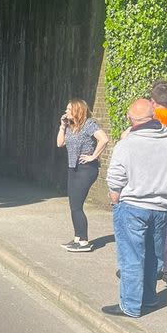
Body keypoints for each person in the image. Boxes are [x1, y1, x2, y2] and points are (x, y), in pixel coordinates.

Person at [103, 99, 167, 318]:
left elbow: (115, 176)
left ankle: (130, 305)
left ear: (130, 118)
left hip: (133, 206)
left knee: (132, 257)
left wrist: (115, 196)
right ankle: (149, 298)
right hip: (162, 207)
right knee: (153, 258)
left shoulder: (127, 143)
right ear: (154, 116)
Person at [56, 98, 109, 252]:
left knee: (77, 206)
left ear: (77, 110)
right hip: (73, 168)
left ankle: (84, 242)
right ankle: (77, 238)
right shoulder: (71, 126)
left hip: (86, 169)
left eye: (68, 109)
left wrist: (93, 156)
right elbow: (60, 143)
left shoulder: (89, 124)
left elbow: (104, 139)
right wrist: (62, 126)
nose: (65, 112)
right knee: (73, 206)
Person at [149, 80, 167, 287]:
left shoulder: (148, 119)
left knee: (149, 223)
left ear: (152, 101)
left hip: (153, 178)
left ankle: (151, 266)